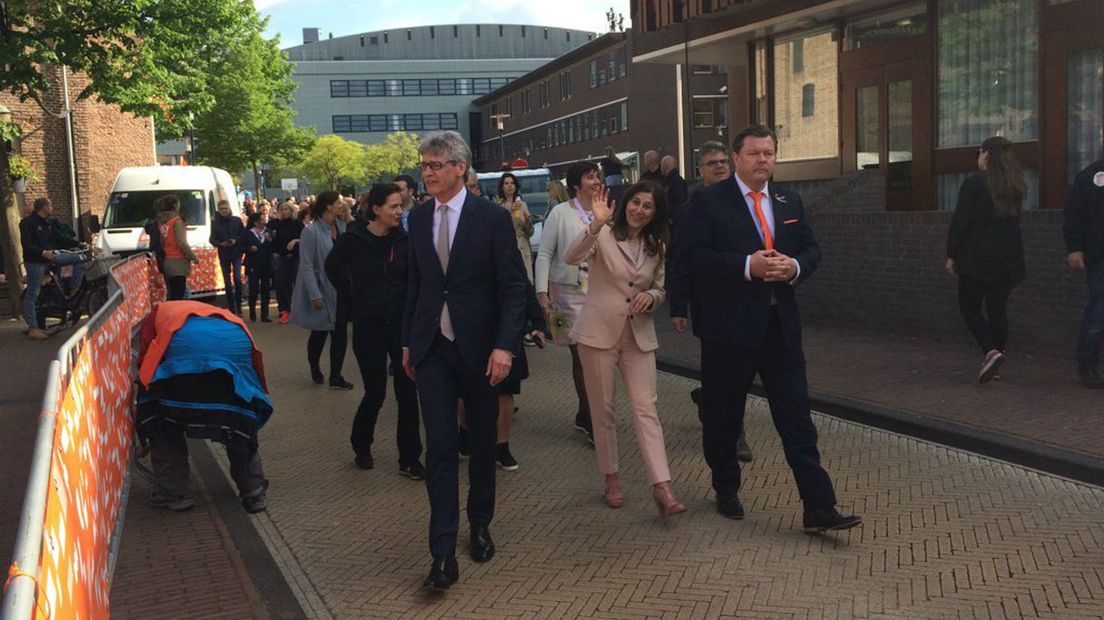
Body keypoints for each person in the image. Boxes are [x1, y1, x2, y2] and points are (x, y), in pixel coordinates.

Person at [668, 125, 861, 533]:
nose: (763, 161)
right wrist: (745, 266)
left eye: (769, 154)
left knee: (797, 419)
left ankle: (819, 507)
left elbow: (812, 250)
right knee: (723, 418)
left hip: (780, 330)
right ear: (737, 159)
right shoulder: (708, 203)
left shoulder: (789, 200)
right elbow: (693, 256)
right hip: (728, 332)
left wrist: (793, 267)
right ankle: (726, 487)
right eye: (754, 154)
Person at [401, 131, 527, 590]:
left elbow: (513, 287)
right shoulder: (417, 218)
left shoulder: (490, 218)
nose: (427, 172)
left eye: (435, 164)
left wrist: (504, 346)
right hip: (432, 348)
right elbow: (416, 285)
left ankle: (479, 524)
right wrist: (408, 342)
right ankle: (441, 554)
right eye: (424, 164)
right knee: (438, 447)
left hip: (480, 349)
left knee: (480, 443)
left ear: (460, 167)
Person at [565, 182, 686, 516]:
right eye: (636, 202)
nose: (640, 210)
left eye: (648, 206)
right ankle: (611, 478)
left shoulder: (656, 244)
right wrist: (596, 223)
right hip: (599, 333)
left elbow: (661, 287)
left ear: (655, 213)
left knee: (647, 409)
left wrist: (654, 297)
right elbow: (571, 257)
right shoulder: (602, 233)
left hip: (638, 335)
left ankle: (662, 486)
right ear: (625, 203)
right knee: (603, 411)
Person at [325, 183, 425, 478]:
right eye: (394, 206)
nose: (399, 212)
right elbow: (332, 268)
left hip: (400, 325)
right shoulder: (353, 239)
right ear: (376, 209)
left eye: (401, 206)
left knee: (408, 391)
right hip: (368, 326)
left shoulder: (404, 241)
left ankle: (409, 458)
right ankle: (361, 445)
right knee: (376, 390)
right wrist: (352, 297)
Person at [136, 300, 270, 513]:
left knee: (161, 421)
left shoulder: (158, 313)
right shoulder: (229, 318)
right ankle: (253, 493)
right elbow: (254, 367)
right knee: (239, 429)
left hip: (181, 386)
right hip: (231, 385)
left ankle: (176, 493)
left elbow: (146, 360)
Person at [679, 142, 753, 463]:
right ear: (701, 171)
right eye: (712, 163)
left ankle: (726, 420)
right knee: (717, 368)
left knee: (739, 369)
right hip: (709, 303)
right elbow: (681, 259)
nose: (720, 167)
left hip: (745, 300)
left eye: (724, 161)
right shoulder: (691, 209)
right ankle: (729, 429)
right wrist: (678, 305)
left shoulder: (749, 203)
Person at [946, 136, 1027, 383]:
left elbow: (961, 222)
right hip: (1008, 260)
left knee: (969, 308)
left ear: (986, 155)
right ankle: (996, 362)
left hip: (976, 258)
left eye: (979, 153)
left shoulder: (973, 184)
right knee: (997, 310)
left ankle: (990, 351)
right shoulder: (1015, 186)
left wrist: (952, 254)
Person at [534, 161, 602, 444]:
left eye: (597, 176)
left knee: (596, 356)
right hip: (567, 292)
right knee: (580, 356)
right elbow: (546, 253)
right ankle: (591, 419)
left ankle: (585, 413)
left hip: (600, 291)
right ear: (576, 184)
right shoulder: (560, 213)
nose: (596, 181)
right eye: (590, 177)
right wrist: (541, 291)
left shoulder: (606, 211)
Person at [291, 191, 352, 389]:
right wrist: (314, 294)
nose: (341, 204)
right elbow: (307, 265)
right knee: (319, 333)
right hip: (322, 288)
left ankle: (336, 375)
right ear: (328, 206)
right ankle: (314, 365)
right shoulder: (311, 232)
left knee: (340, 334)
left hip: (341, 288)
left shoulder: (342, 227)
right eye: (337, 202)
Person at [1064, 154, 1104, 388]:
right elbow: (1075, 215)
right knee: (1099, 309)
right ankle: (1087, 365)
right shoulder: (1091, 175)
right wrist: (1075, 247)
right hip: (1100, 255)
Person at [19, 197, 84, 340]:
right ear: (45, 208)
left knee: (77, 258)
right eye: (51, 206)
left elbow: (60, 237)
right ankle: (33, 328)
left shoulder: (47, 223)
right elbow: (27, 245)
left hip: (51, 258)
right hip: (36, 262)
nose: (52, 208)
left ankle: (73, 289)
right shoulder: (27, 223)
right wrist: (43, 253)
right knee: (32, 294)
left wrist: (79, 244)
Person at [154, 194, 199, 301]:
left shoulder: (162, 222)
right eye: (178, 204)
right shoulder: (176, 221)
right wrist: (193, 256)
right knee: (179, 294)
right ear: (175, 205)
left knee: (173, 294)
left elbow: (162, 241)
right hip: (178, 261)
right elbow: (181, 242)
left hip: (167, 260)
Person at [494, 172, 535, 282]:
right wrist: (509, 211)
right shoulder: (497, 205)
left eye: (512, 183)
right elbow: (495, 225)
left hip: (523, 246)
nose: (510, 186)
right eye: (506, 183)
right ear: (502, 187)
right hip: (507, 246)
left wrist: (528, 222)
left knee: (526, 280)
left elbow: (530, 232)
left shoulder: (523, 204)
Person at [270, 200, 303, 324]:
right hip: (282, 257)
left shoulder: (298, 224)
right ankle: (284, 309)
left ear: (291, 210)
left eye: (286, 209)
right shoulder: (276, 224)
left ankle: (299, 310)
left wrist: (295, 241)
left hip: (296, 256)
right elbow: (271, 239)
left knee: (298, 283)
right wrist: (273, 251)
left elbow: (305, 237)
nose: (284, 212)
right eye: (281, 210)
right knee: (281, 284)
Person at [209, 199, 245, 315]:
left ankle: (239, 305)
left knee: (237, 279)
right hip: (224, 254)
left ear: (229, 208)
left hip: (236, 253)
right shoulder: (215, 223)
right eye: (221, 209)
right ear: (218, 210)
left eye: (225, 208)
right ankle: (231, 307)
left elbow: (243, 235)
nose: (224, 211)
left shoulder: (237, 220)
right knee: (227, 282)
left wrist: (235, 241)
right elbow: (212, 239)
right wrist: (220, 244)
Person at [240, 212, 274, 322]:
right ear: (255, 222)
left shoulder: (268, 232)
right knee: (253, 289)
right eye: (262, 219)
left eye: (264, 219)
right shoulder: (249, 233)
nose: (264, 221)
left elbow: (273, 246)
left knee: (266, 289)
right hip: (253, 264)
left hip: (266, 264)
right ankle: (252, 312)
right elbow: (241, 247)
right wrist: (250, 249)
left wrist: (271, 240)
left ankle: (265, 315)